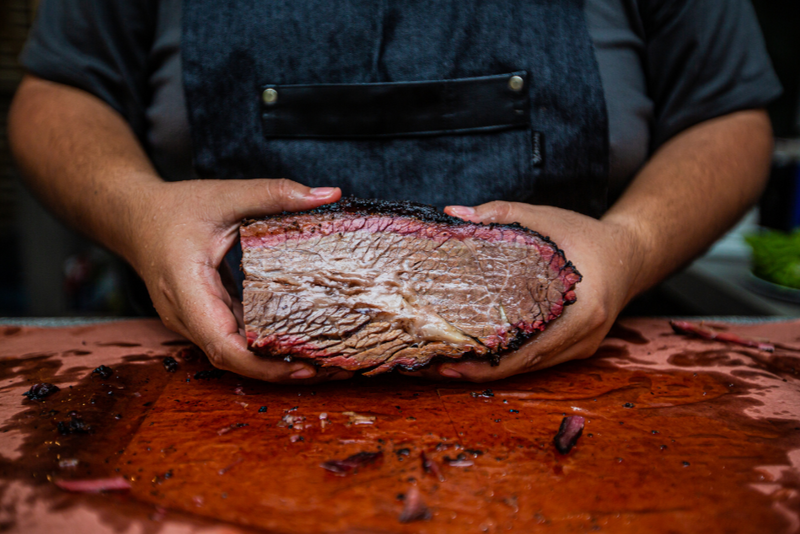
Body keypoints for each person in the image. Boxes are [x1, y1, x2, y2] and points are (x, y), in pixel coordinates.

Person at [9, 0, 780, 383]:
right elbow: (58, 96)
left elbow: (727, 116)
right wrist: (139, 212)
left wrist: (634, 245)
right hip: (209, 383)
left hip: (592, 374)